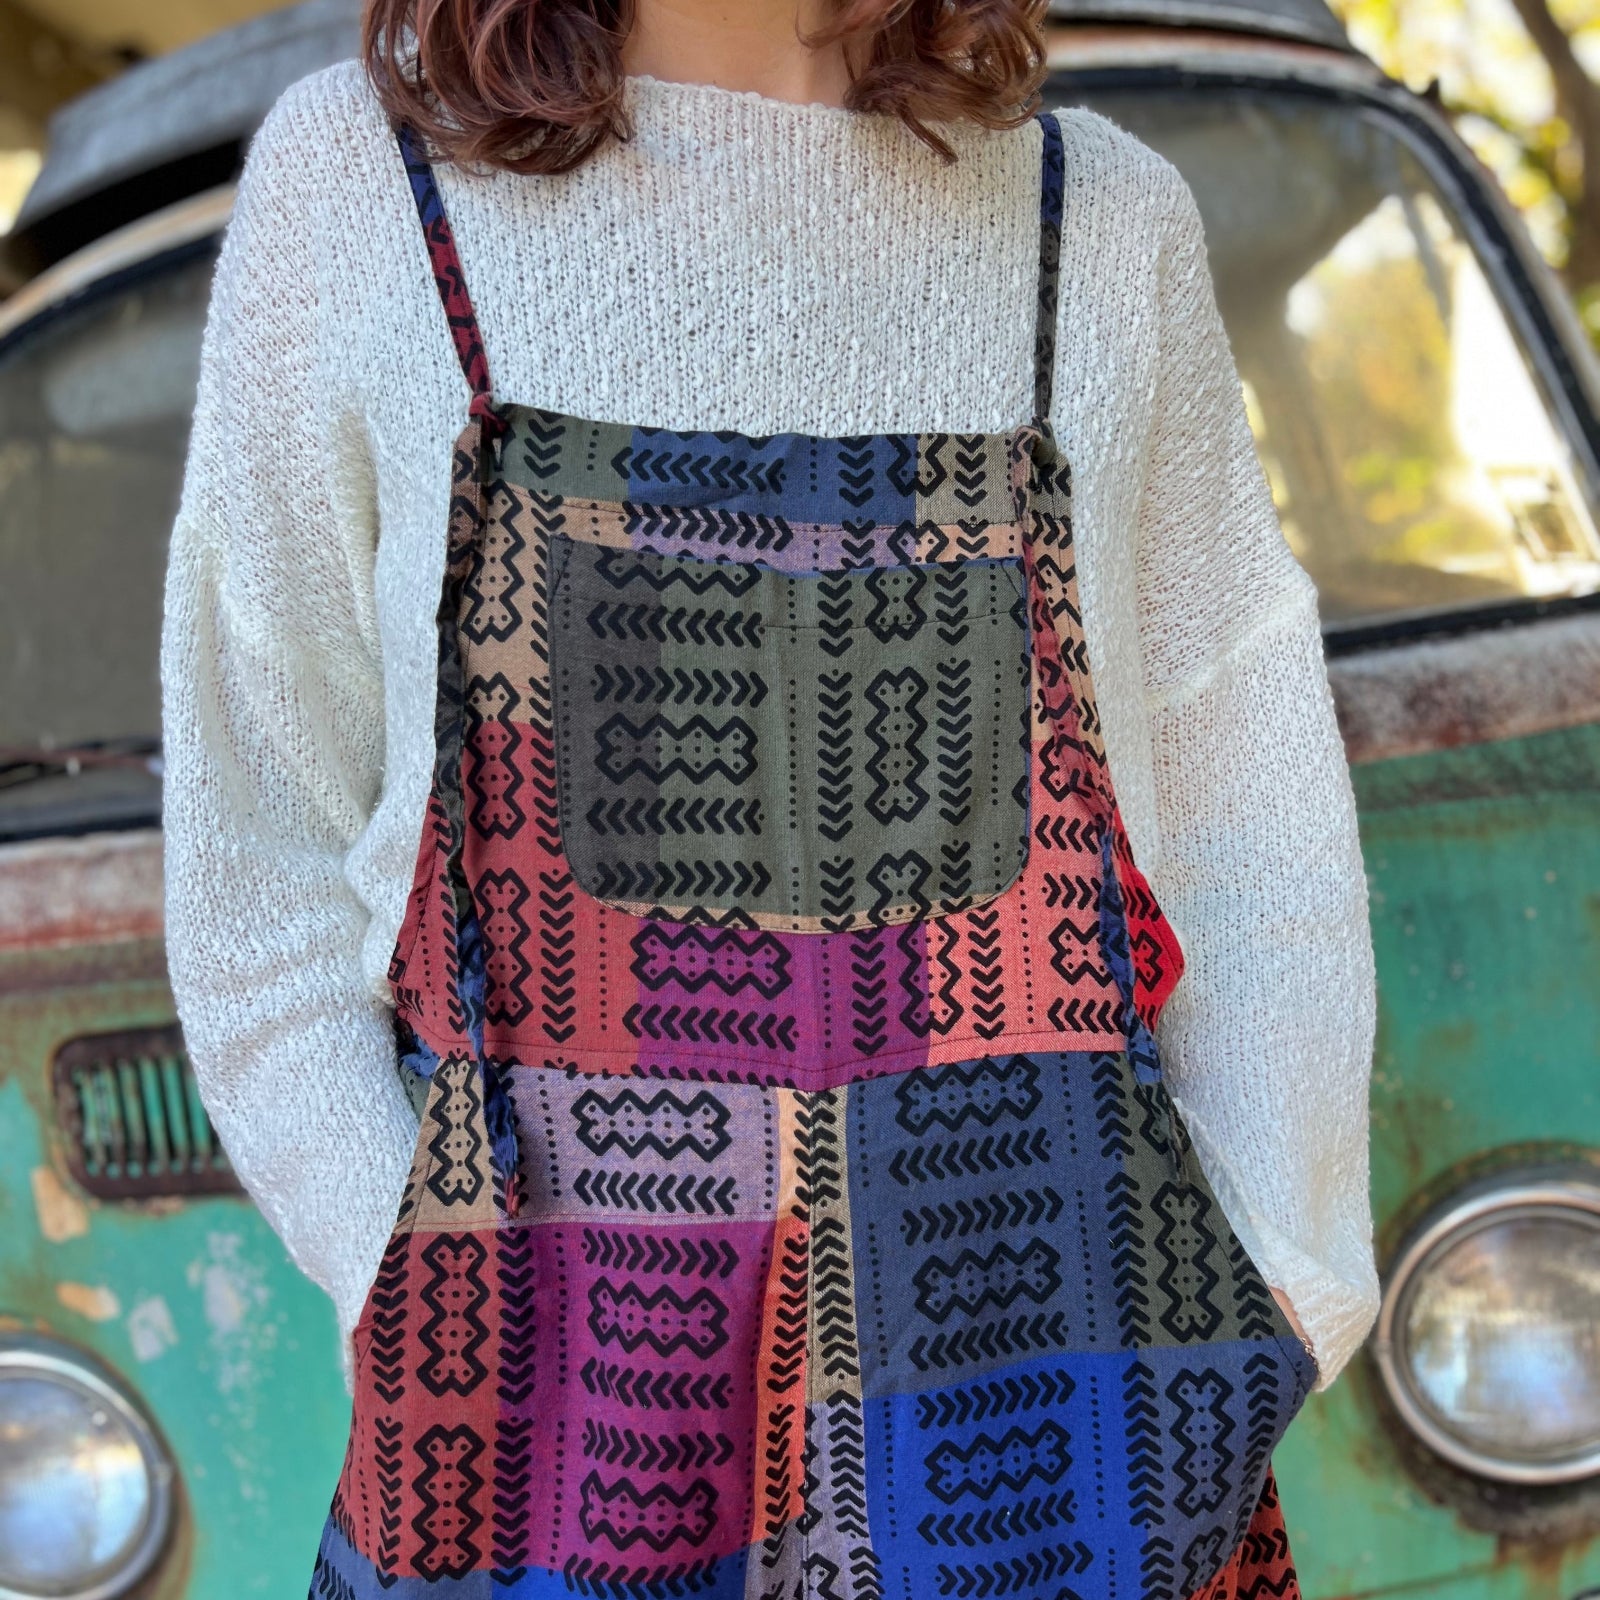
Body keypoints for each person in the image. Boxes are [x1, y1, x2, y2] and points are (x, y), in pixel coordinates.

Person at [160, 0, 1380, 1592]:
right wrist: (403, 1281)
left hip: (1072, 1413)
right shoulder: (361, 189)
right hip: (551, 1430)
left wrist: (1274, 1285)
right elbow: (260, 856)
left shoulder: (1102, 223)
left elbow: (1251, 832)